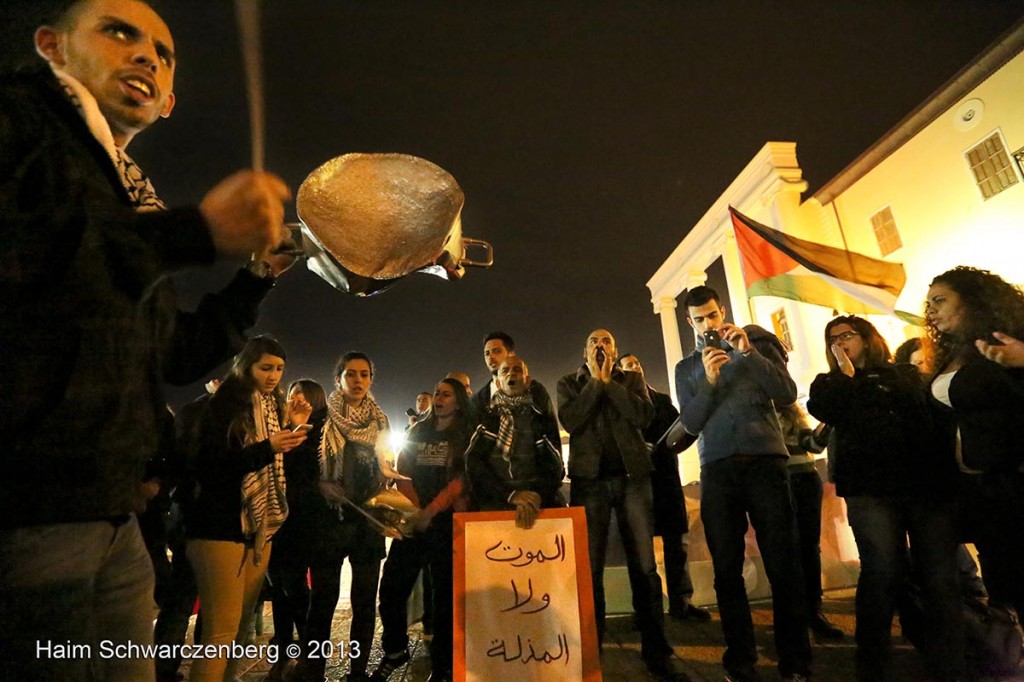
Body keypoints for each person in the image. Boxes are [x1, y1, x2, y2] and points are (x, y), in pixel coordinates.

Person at [0, 1, 293, 680]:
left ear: (167, 101)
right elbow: (35, 269)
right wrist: (194, 234)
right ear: (52, 46)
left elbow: (175, 354)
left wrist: (253, 279)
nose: (146, 57)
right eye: (119, 32)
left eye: (163, 54)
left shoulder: (133, 198)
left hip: (112, 516)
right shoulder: (17, 124)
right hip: (26, 514)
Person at [807, 315, 963, 681]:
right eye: (833, 339)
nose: (841, 343)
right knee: (881, 571)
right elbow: (824, 409)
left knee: (939, 575)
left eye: (848, 335)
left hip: (921, 485)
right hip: (869, 489)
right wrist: (844, 375)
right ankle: (873, 663)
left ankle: (950, 662)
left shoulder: (904, 375)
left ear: (867, 337)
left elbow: (931, 421)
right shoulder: (830, 383)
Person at [674, 286, 810, 682]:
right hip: (717, 469)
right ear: (690, 323)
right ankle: (741, 660)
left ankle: (796, 662)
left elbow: (785, 393)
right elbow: (691, 422)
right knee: (726, 569)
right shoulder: (687, 368)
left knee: (784, 564)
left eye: (712, 316)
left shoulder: (753, 351)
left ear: (722, 312)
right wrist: (711, 381)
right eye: (699, 319)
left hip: (766, 462)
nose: (707, 325)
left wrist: (748, 353)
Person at [557, 329, 690, 681]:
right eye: (593, 342)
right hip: (590, 482)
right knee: (591, 568)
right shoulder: (568, 383)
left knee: (644, 565)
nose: (600, 345)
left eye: (606, 342)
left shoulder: (632, 380)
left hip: (633, 479)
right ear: (584, 350)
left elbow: (643, 417)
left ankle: (656, 650)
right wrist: (595, 383)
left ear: (614, 350)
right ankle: (591, 650)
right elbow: (571, 420)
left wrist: (609, 382)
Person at [184, 336, 310, 682]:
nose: (273, 376)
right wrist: (269, 446)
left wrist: (293, 430)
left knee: (237, 634)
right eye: (265, 367)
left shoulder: (270, 407)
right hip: (218, 526)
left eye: (279, 369)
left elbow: (273, 468)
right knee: (219, 635)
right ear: (246, 366)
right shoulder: (226, 403)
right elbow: (214, 465)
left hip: (259, 528)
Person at [925, 266, 1024, 623]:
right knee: (1002, 589)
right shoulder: (952, 353)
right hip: (976, 490)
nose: (932, 310)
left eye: (940, 300)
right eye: (929, 303)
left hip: (1013, 481)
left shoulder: (1007, 339)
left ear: (971, 302)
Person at [293, 352, 391, 682]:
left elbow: (387, 469)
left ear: (371, 379)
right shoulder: (321, 420)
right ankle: (313, 671)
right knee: (322, 604)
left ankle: (357, 672)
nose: (358, 380)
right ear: (339, 379)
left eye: (364, 374)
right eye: (351, 374)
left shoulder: (380, 423)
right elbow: (300, 469)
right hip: (328, 525)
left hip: (367, 524)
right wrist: (321, 484)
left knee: (364, 605)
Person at [371, 378, 474, 682]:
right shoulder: (418, 431)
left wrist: (431, 511)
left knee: (444, 599)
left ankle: (442, 665)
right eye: (437, 393)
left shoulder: (466, 434)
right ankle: (395, 650)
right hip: (414, 521)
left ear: (458, 403)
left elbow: (462, 479)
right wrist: (416, 510)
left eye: (446, 395)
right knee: (391, 589)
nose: (439, 398)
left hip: (446, 522)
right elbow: (402, 471)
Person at [618, 353, 711, 623]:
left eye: (636, 364)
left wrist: (659, 448)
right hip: (637, 483)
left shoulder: (661, 400)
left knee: (677, 544)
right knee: (641, 550)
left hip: (666, 479)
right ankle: (647, 608)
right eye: (627, 367)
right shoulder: (621, 401)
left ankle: (682, 602)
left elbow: (678, 430)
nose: (634, 369)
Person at [265, 379, 328, 682]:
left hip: (306, 518)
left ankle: (307, 651)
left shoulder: (322, 432)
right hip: (277, 518)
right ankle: (281, 651)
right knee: (279, 586)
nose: (296, 401)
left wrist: (299, 430)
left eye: (303, 397)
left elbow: (309, 471)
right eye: (292, 396)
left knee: (295, 584)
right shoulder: (277, 427)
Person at [773, 403, 845, 642]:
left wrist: (827, 423)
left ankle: (813, 612)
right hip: (778, 482)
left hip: (804, 478)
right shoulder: (754, 405)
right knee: (785, 551)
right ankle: (793, 616)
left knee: (808, 549)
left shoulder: (789, 409)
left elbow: (813, 445)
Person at [465, 357, 566, 525]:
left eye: (517, 370)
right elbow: (474, 463)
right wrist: (510, 495)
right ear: (498, 383)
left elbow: (554, 465)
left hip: (536, 506)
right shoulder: (487, 418)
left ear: (527, 381)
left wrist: (534, 497)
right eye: (505, 371)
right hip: (495, 505)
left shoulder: (540, 418)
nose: (511, 373)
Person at [471, 331, 556, 419]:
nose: (491, 357)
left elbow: (550, 427)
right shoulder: (477, 401)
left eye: (497, 351)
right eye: (487, 353)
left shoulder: (535, 390)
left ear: (511, 354)